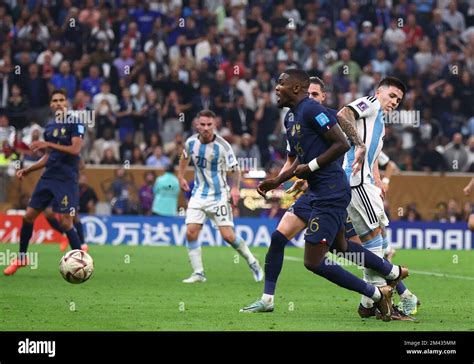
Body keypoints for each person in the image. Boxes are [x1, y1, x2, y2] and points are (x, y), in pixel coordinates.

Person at [241, 70, 406, 321]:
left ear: (298, 89)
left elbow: (341, 138)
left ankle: (379, 290)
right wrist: (277, 180)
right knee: (337, 246)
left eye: (281, 84)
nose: (276, 88)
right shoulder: (291, 119)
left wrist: (357, 148)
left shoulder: (315, 112)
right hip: (316, 190)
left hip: (332, 190)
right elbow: (296, 160)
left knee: (314, 261)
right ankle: (390, 273)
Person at [337, 76, 413, 317]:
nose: (394, 102)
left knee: (378, 241)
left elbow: (374, 157)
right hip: (356, 182)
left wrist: (379, 181)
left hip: (366, 182)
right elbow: (343, 114)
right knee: (373, 243)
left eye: (398, 100)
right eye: (392, 96)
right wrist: (358, 144)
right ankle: (375, 303)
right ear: (379, 92)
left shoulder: (379, 123)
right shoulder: (370, 103)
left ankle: (369, 302)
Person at [4, 90, 85, 276]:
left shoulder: (75, 123)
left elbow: (75, 149)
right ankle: (22, 258)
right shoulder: (49, 127)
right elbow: (49, 156)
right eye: (55, 101)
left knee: (66, 222)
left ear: (67, 103)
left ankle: (81, 262)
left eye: (61, 100)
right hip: (49, 177)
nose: (58, 103)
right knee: (28, 216)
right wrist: (29, 169)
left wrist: (48, 145)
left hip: (66, 179)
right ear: (50, 105)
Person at [178, 109, 263, 283]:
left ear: (215, 125)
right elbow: (184, 158)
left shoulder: (223, 146)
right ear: (197, 125)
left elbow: (235, 169)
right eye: (203, 124)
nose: (206, 128)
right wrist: (180, 176)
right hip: (198, 195)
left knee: (228, 236)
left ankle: (252, 261)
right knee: (191, 232)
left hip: (218, 196)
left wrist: (235, 189)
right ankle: (199, 273)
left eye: (210, 125)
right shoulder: (190, 142)